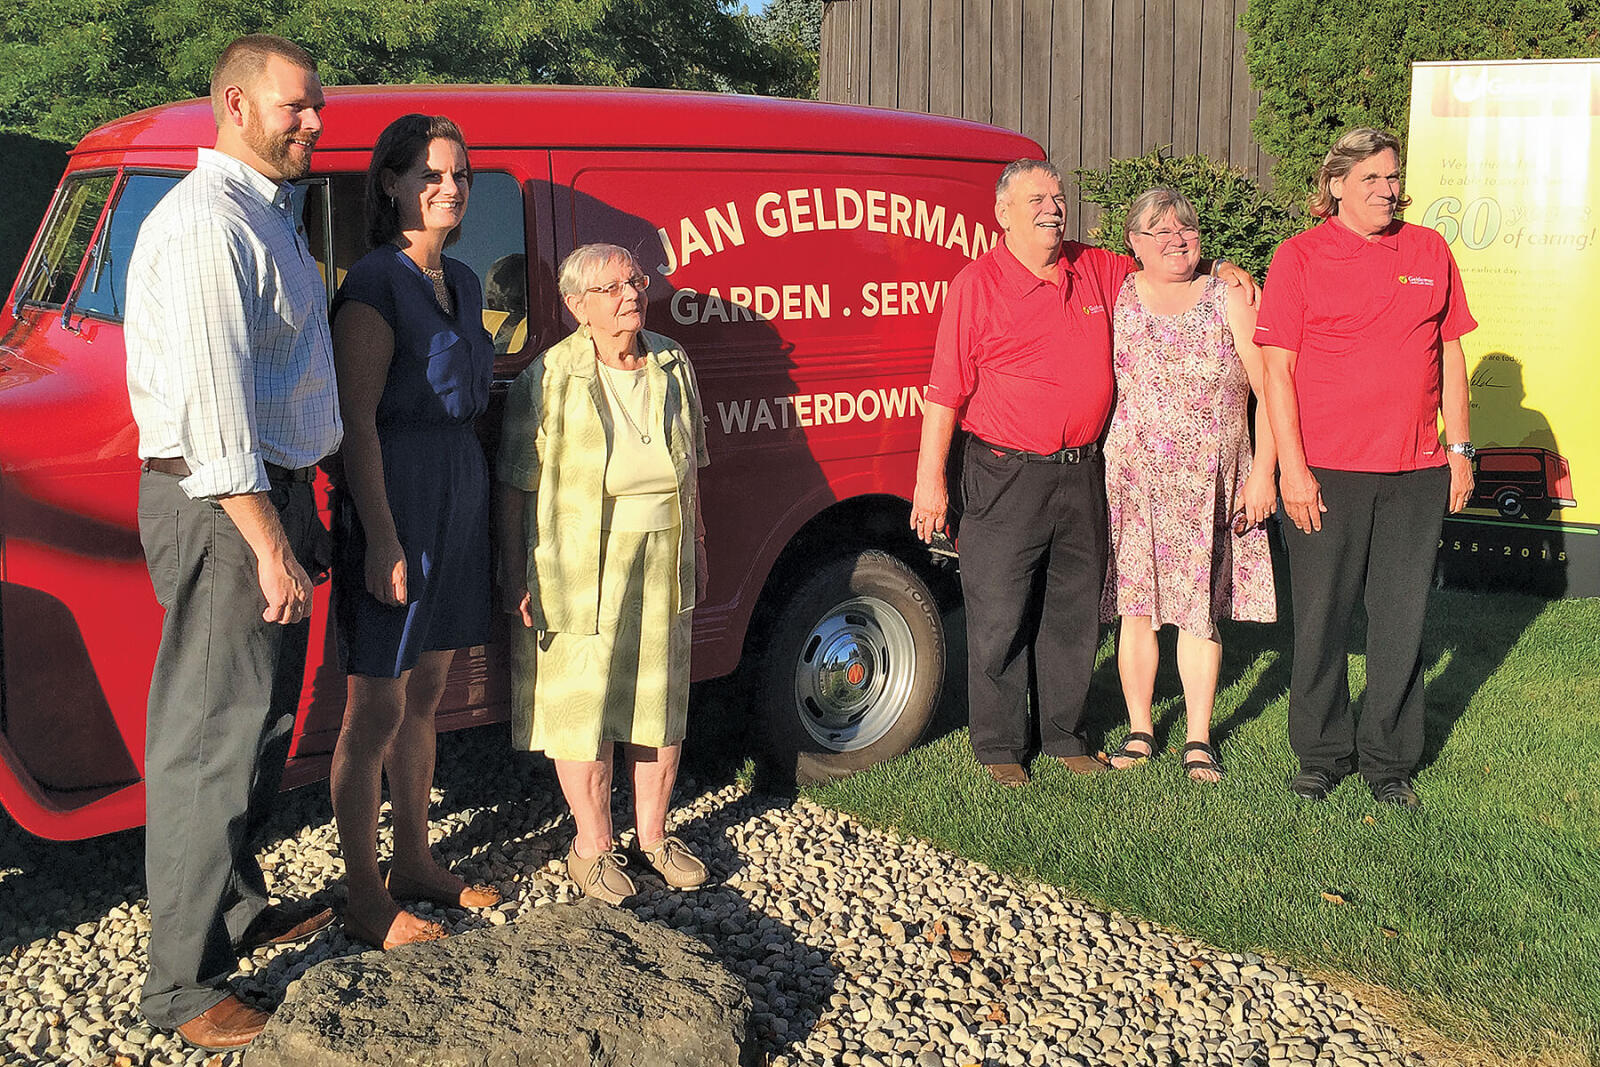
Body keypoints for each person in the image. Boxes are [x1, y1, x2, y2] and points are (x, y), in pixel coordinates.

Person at [124, 35, 340, 1051]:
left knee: (253, 730)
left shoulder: (265, 215)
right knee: (211, 742)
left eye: (316, 107)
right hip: (227, 506)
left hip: (263, 497)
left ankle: (235, 908)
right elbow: (214, 412)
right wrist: (267, 540)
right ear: (236, 104)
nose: (313, 121)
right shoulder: (211, 225)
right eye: (295, 105)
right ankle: (182, 985)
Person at [909, 159, 1256, 787]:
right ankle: (999, 747)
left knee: (1073, 613)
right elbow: (946, 391)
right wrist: (930, 480)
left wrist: (1222, 268)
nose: (1053, 207)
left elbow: (1168, 264)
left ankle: (1065, 735)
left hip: (1084, 473)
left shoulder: (1095, 267)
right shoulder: (976, 284)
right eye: (1036, 198)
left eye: (1059, 196)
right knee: (999, 613)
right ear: (1003, 213)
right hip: (1003, 470)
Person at [1257, 127, 1476, 809]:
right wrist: (1290, 470)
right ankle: (1322, 753)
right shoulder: (1299, 258)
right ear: (1336, 186)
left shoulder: (1429, 250)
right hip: (1326, 472)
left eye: (1392, 177)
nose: (1387, 190)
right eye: (1372, 180)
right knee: (1321, 618)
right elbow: (1278, 370)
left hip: (1415, 471)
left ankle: (1389, 760)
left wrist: (1461, 448)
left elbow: (1453, 354)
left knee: (1401, 618)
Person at [326, 114, 501, 951]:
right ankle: (363, 893)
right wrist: (385, 538)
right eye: (432, 173)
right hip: (396, 496)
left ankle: (414, 860)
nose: (450, 186)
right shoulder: (372, 283)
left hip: (458, 492)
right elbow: (356, 422)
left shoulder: (464, 282)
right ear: (391, 182)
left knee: (429, 693)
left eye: (461, 173)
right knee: (376, 706)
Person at [497, 243, 711, 903]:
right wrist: (514, 573)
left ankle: (653, 836)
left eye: (635, 280)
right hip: (576, 558)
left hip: (662, 548)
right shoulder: (548, 376)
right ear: (576, 306)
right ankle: (591, 845)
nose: (630, 294)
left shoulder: (673, 360)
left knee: (659, 695)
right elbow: (514, 482)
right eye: (613, 287)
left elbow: (693, 458)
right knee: (582, 702)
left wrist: (698, 537)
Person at [1099, 188, 1278, 783]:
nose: (1177, 239)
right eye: (1160, 231)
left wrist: (1265, 472)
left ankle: (1199, 736)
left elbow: (1269, 388)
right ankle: (1140, 729)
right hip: (1136, 479)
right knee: (1137, 609)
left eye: (1188, 229)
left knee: (1200, 610)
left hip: (1213, 483)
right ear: (1134, 244)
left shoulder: (1228, 295)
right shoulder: (1118, 293)